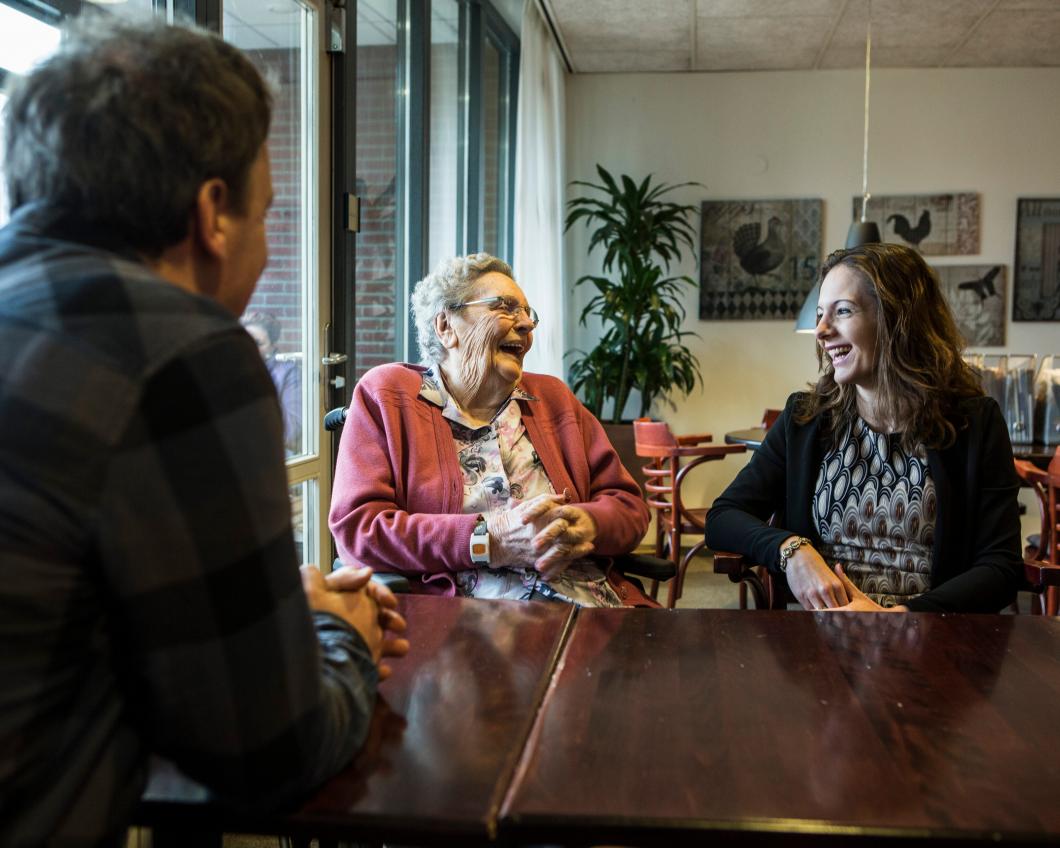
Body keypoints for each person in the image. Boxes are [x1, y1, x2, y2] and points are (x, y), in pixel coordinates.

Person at [0, 18, 407, 846]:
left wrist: (263, 611)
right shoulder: (184, 353)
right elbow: (268, 751)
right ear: (213, 213)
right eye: (268, 212)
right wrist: (339, 632)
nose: (263, 244)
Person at [706, 243, 1022, 613]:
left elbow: (1001, 569)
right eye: (821, 314)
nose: (821, 330)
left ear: (897, 318)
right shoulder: (805, 417)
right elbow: (722, 517)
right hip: (818, 641)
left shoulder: (975, 422)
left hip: (930, 639)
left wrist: (900, 619)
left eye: (842, 311)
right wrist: (792, 550)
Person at [329, 253, 651, 606]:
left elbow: (629, 507)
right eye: (505, 307)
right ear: (446, 326)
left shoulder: (553, 399)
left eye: (528, 313)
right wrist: (487, 540)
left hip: (590, 606)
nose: (526, 324)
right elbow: (358, 528)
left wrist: (587, 523)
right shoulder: (388, 397)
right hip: (467, 624)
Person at [243, 310, 302, 455]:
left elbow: (291, 431)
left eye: (258, 343)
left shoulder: (289, 373)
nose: (250, 348)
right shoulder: (231, 368)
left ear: (272, 345)